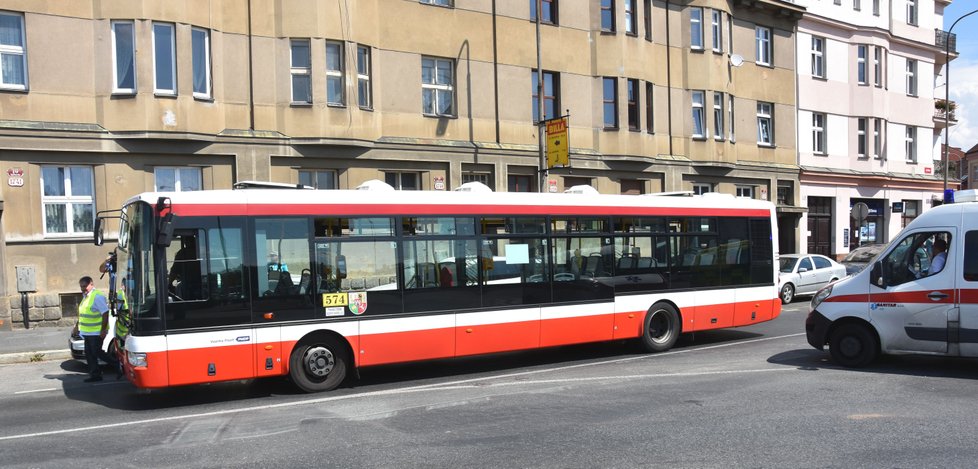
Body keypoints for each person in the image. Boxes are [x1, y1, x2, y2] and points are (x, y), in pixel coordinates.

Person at [76, 276, 116, 382]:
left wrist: (103, 330)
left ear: (91, 284)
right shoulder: (86, 296)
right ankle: (95, 375)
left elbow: (105, 313)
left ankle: (118, 364)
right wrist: (76, 327)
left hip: (96, 332)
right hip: (87, 332)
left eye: (85, 286)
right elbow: (83, 313)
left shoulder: (97, 296)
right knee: (90, 354)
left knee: (97, 352)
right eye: (81, 286)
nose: (83, 289)